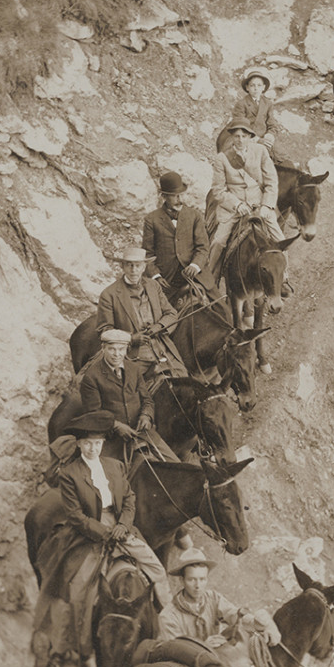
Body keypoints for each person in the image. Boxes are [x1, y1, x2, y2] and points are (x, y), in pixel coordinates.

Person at [32, 411, 172, 667]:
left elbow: (129, 499)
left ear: (102, 444)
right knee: (79, 591)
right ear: (80, 445)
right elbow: (75, 516)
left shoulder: (114, 466)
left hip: (121, 528)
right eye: (87, 444)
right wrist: (105, 533)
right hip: (89, 532)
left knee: (157, 571)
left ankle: (166, 632)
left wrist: (123, 526)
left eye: (97, 443)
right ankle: (83, 649)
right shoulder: (71, 474)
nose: (93, 448)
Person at [79, 329, 179, 465]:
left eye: (121, 349)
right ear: (103, 348)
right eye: (112, 349)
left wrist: (146, 416)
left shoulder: (134, 369)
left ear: (127, 349)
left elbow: (147, 400)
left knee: (176, 465)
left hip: (142, 432)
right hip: (113, 440)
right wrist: (117, 425)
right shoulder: (92, 376)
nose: (117, 354)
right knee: (114, 480)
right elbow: (93, 414)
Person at [207, 118, 286, 282]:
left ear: (250, 136)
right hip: (234, 207)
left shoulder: (261, 151)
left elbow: (272, 181)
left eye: (244, 136)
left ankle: (283, 278)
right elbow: (218, 190)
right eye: (236, 136)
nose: (240, 140)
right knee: (218, 241)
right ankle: (209, 278)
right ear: (232, 138)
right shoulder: (222, 158)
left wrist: (266, 205)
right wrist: (236, 204)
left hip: (259, 205)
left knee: (281, 241)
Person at [96, 246, 187, 379]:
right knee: (129, 393)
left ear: (144, 267)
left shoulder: (153, 286)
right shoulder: (109, 294)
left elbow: (171, 313)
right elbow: (104, 331)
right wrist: (131, 338)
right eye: (129, 265)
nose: (134, 270)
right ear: (123, 267)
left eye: (138, 265)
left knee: (184, 382)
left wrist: (159, 326)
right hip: (132, 356)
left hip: (162, 350)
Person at [142, 171, 221, 307]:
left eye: (181, 195)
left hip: (195, 274)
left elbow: (203, 247)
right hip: (167, 279)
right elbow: (147, 254)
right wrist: (156, 276)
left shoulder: (194, 215)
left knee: (223, 310)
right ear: (164, 196)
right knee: (154, 317)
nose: (180, 199)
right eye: (174, 196)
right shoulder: (151, 220)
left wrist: (195, 265)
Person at [230, 66, 279, 156]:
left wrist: (269, 136)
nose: (256, 88)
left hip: (264, 140)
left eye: (259, 85)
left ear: (263, 87)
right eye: (252, 85)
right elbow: (240, 127)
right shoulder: (241, 104)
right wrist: (257, 140)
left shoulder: (267, 103)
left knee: (282, 161)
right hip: (247, 140)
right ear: (247, 87)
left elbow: (272, 125)